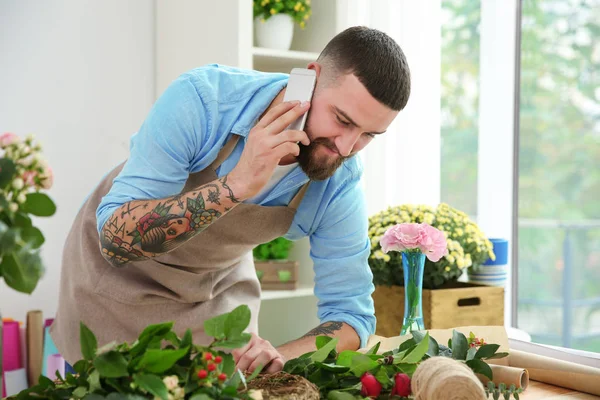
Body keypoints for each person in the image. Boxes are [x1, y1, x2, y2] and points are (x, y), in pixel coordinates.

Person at [50, 25, 411, 374]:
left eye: (369, 135)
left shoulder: (340, 180)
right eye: (342, 120)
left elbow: (352, 315)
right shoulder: (205, 100)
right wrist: (235, 185)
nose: (346, 147)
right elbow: (115, 240)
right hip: (113, 296)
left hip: (213, 308)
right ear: (311, 77)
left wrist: (281, 356)